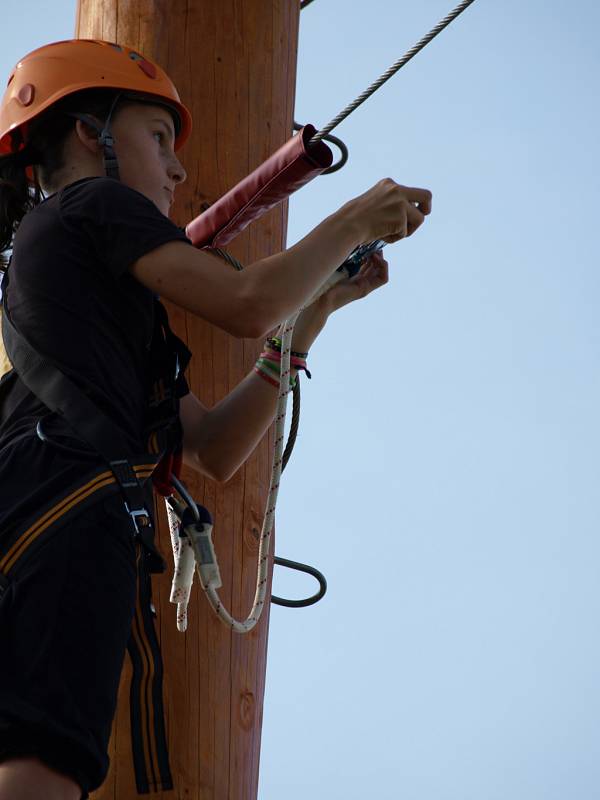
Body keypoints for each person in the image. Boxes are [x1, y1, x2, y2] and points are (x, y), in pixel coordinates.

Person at [0, 39, 432, 800]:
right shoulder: (89, 206)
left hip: (43, 503)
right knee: (42, 760)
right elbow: (245, 303)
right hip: (61, 511)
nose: (176, 170)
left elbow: (214, 448)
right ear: (88, 136)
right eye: (157, 138)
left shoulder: (88, 298)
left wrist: (312, 316)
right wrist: (352, 214)